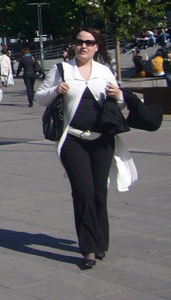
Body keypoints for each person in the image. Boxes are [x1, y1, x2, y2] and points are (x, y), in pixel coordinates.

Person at [35, 27, 136, 270]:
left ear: (96, 46)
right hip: (73, 140)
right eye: (80, 42)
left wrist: (119, 95)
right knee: (83, 191)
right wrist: (55, 90)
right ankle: (88, 248)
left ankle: (100, 241)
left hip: (102, 139)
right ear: (73, 45)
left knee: (100, 191)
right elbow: (41, 97)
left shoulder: (104, 71)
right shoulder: (62, 70)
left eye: (89, 43)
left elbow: (120, 103)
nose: (84, 46)